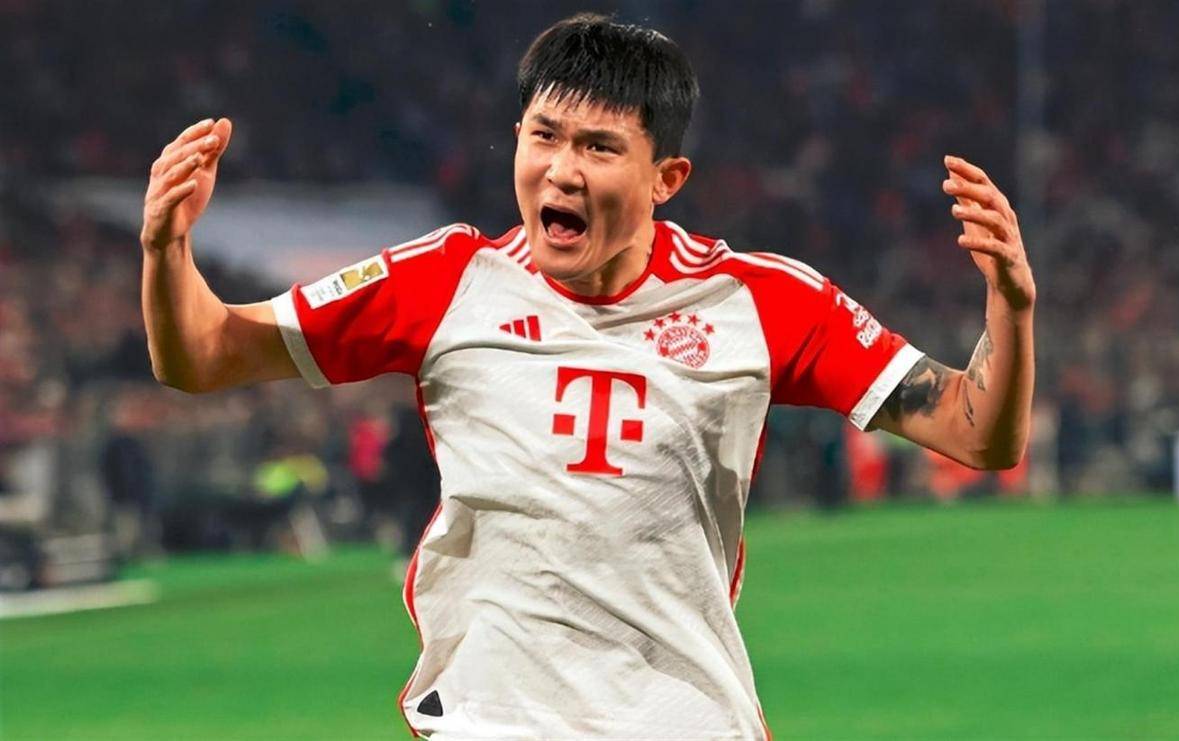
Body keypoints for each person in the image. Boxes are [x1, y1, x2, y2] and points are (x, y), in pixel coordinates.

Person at [139, 13, 1035, 739]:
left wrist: (1010, 308)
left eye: (600, 147)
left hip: (683, 719)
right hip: (492, 717)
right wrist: (167, 249)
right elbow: (205, 353)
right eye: (544, 136)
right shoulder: (446, 282)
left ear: (666, 176)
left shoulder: (760, 303)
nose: (561, 170)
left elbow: (974, 431)